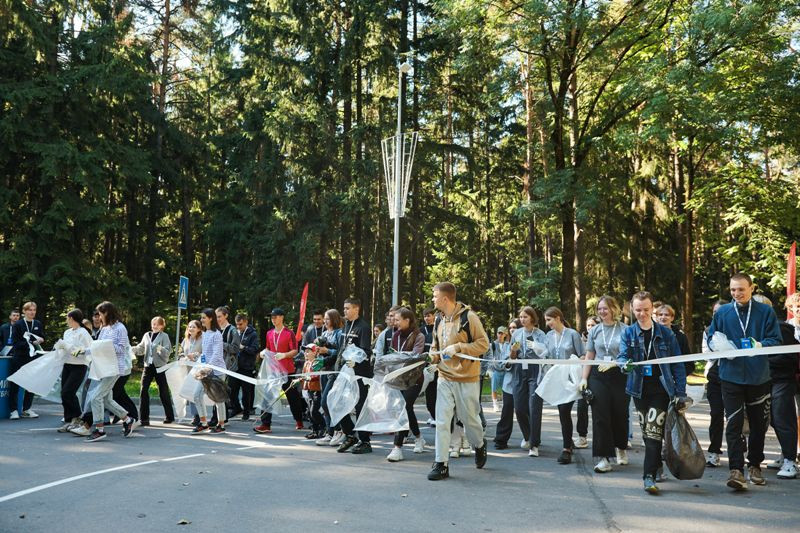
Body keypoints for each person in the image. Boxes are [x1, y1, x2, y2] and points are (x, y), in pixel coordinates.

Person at [707, 273, 782, 490]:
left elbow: (775, 340)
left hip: (758, 376)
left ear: (751, 288)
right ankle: (736, 470)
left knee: (758, 425)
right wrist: (720, 347)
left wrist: (759, 345)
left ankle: (755, 464)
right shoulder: (722, 312)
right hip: (730, 376)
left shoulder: (765, 312)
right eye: (732, 290)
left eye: (741, 289)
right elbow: (712, 338)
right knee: (734, 423)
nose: (737, 294)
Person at [617, 291, 687, 494]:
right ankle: (655, 466)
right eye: (638, 310)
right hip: (638, 391)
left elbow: (677, 364)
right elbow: (622, 356)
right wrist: (625, 365)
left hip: (661, 391)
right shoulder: (628, 333)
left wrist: (680, 392)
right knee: (648, 435)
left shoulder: (666, 333)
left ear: (652, 309)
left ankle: (648, 477)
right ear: (632, 309)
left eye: (646, 310)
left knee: (655, 434)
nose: (642, 314)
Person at [427, 282, 490, 481]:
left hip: (467, 378)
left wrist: (459, 348)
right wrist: (432, 359)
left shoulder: (468, 317)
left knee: (470, 419)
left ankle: (479, 445)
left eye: (435, 296)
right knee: (443, 421)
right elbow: (435, 346)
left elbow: (483, 344)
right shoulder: (438, 320)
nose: (433, 299)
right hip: (444, 377)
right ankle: (441, 463)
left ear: (445, 298)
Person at [70, 301, 136, 441]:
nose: (99, 317)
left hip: (114, 368)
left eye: (100, 314)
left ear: (107, 313)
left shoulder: (120, 328)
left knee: (96, 397)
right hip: (103, 368)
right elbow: (96, 347)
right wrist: (83, 351)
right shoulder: (104, 329)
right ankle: (128, 420)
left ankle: (99, 430)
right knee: (106, 399)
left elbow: (121, 349)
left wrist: (107, 347)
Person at [580, 296, 629, 473]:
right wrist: (584, 378)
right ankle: (603, 458)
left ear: (614, 309)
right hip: (598, 375)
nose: (602, 312)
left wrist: (616, 363)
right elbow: (589, 356)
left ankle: (621, 447)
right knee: (600, 416)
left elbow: (628, 355)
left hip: (618, 375)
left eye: (605, 308)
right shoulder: (595, 331)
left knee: (619, 415)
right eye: (599, 309)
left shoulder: (625, 329)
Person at [543, 306, 586, 464]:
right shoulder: (548, 336)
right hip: (556, 378)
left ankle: (566, 448)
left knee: (564, 410)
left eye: (549, 320)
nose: (547, 323)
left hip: (570, 377)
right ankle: (569, 441)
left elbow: (583, 355)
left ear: (558, 318)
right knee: (562, 412)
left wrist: (575, 366)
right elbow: (546, 354)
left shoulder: (573, 334)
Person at [385, 307, 427, 462]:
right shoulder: (395, 335)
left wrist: (399, 357)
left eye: (397, 320)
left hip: (414, 379)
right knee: (407, 409)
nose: (394, 323)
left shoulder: (419, 336)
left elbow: (415, 356)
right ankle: (418, 437)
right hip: (399, 378)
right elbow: (393, 354)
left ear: (407, 320)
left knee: (402, 407)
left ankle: (397, 448)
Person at [254, 308, 305, 433]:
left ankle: (299, 420)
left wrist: (284, 355)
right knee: (267, 395)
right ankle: (265, 424)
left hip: (287, 370)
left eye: (275, 317)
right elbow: (268, 348)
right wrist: (263, 353)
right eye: (271, 317)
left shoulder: (289, 333)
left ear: (282, 317)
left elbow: (295, 351)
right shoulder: (269, 333)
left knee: (292, 397)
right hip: (273, 371)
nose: (273, 319)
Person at [506, 307, 548, 457]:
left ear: (532, 318)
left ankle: (534, 444)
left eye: (525, 317)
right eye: (520, 317)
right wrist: (513, 350)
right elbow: (512, 356)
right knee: (519, 407)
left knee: (534, 407)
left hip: (535, 369)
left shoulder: (540, 334)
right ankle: (528, 436)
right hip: (519, 370)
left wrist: (535, 346)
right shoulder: (516, 333)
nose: (522, 319)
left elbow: (545, 352)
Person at [335, 298, 374, 454]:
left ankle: (365, 441)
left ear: (356, 309)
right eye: (343, 308)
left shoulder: (363, 327)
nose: (344, 311)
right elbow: (342, 348)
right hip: (345, 372)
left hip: (360, 374)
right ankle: (350, 435)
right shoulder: (345, 326)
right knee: (338, 402)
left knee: (359, 407)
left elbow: (366, 351)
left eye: (347, 308)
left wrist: (355, 362)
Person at [767, 293, 799, 479]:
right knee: (773, 419)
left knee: (783, 418)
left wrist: (764, 359)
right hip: (764, 381)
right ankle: (784, 455)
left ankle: (790, 461)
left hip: (782, 381)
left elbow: (789, 357)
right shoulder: (755, 329)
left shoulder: (782, 328)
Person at [187, 308, 227, 434]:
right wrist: (197, 356)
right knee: (197, 396)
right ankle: (204, 423)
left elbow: (216, 354)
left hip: (217, 371)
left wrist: (207, 366)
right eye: (201, 317)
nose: (202, 319)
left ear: (210, 318)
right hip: (206, 370)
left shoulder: (217, 334)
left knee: (218, 399)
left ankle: (221, 425)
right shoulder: (205, 334)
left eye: (204, 317)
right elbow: (206, 353)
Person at [132, 316, 174, 425]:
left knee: (163, 391)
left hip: (160, 366)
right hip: (148, 366)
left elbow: (167, 351)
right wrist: (131, 349)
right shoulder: (147, 335)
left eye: (157, 324)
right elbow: (141, 349)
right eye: (153, 324)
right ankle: (144, 419)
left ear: (161, 326)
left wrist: (158, 348)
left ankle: (169, 416)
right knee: (143, 390)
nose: (154, 326)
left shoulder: (165, 336)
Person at [701, 299, 728, 467]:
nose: (717, 315)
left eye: (720, 312)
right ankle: (714, 451)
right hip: (714, 375)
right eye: (714, 312)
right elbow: (707, 352)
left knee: (735, 417)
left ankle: (739, 449)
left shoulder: (735, 328)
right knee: (716, 414)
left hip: (733, 376)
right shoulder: (707, 330)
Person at [57, 309, 93, 432]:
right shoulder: (67, 332)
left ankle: (77, 418)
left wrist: (71, 348)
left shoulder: (83, 333)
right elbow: (65, 347)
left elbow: (89, 349)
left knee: (68, 392)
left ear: (72, 319)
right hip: (67, 364)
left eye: (68, 318)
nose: (67, 321)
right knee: (64, 393)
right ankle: (69, 420)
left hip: (79, 366)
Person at [8, 301, 45, 419]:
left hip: (33, 358)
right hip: (19, 357)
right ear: (24, 311)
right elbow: (15, 343)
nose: (32, 312)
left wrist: (41, 340)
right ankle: (13, 410)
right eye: (29, 310)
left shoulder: (37, 323)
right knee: (15, 383)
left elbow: (42, 336)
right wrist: (30, 343)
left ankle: (27, 409)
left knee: (31, 383)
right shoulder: (18, 325)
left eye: (34, 310)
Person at [316, 309, 345, 446]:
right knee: (324, 401)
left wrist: (327, 350)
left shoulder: (340, 333)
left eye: (327, 319)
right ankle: (330, 432)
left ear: (334, 319)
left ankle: (340, 430)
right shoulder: (324, 333)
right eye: (324, 319)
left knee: (327, 401)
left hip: (334, 371)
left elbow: (340, 352)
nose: (325, 321)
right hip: (324, 370)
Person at [493, 319, 522, 450]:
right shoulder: (507, 345)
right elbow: (504, 363)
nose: (512, 330)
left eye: (514, 327)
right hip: (509, 381)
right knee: (507, 410)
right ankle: (501, 439)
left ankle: (531, 438)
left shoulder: (527, 341)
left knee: (523, 411)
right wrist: (511, 357)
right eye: (510, 327)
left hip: (524, 381)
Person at [230, 314, 259, 421]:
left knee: (246, 392)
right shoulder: (235, 332)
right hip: (234, 367)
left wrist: (243, 347)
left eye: (241, 324)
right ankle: (236, 408)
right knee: (232, 390)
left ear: (246, 322)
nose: (238, 327)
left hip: (247, 367)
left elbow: (254, 349)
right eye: (237, 324)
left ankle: (246, 412)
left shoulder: (253, 334)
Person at [216, 306, 240, 425]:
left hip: (228, 366)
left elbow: (235, 349)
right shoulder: (216, 330)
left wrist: (222, 343)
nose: (218, 319)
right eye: (216, 317)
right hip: (217, 365)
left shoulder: (232, 330)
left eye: (220, 316)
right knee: (218, 392)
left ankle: (220, 418)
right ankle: (221, 418)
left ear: (226, 316)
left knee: (223, 393)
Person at [656, 304, 694, 377]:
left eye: (666, 315)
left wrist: (680, 375)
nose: (663, 317)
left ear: (672, 317)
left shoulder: (681, 337)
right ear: (657, 317)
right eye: (660, 314)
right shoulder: (651, 335)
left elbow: (688, 362)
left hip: (676, 378)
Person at [179, 320, 204, 426]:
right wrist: (181, 357)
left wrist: (195, 356)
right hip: (187, 370)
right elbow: (180, 352)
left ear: (199, 329)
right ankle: (195, 416)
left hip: (198, 370)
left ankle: (200, 416)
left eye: (194, 327)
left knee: (196, 394)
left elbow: (204, 355)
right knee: (190, 393)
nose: (191, 329)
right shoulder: (186, 340)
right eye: (189, 327)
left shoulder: (202, 339)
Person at [421, 308, 437, 424]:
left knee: (438, 395)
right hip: (425, 369)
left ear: (434, 316)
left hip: (437, 368)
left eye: (429, 315)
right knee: (429, 398)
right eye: (425, 316)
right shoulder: (421, 330)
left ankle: (438, 417)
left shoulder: (439, 328)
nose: (427, 318)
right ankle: (433, 415)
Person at [490, 326, 509, 412]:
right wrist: (489, 370)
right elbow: (489, 357)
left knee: (505, 388)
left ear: (505, 334)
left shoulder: (507, 344)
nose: (500, 335)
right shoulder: (493, 344)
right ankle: (495, 404)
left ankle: (506, 404)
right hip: (495, 370)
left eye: (502, 333)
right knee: (494, 388)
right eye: (499, 333)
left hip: (505, 370)